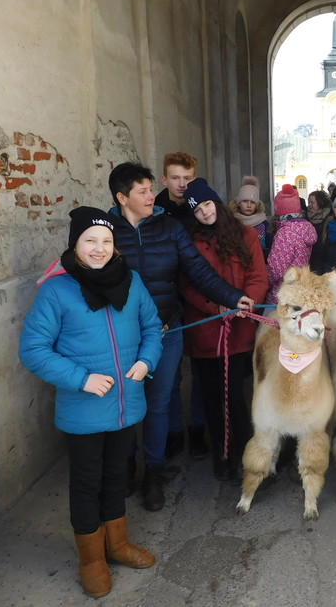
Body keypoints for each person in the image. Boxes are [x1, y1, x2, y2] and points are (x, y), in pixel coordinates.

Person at [19, 207, 162, 598]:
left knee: (117, 476)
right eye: (90, 241)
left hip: (125, 404)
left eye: (106, 242)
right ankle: (91, 560)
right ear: (75, 244)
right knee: (86, 484)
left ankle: (116, 546)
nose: (99, 249)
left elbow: (152, 326)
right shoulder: (57, 290)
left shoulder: (131, 282)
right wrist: (81, 379)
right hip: (83, 411)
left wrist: (146, 360)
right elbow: (33, 349)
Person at [106, 162, 254, 511]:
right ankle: (126, 470)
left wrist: (231, 297)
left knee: (158, 404)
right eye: (142, 191)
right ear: (122, 197)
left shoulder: (170, 228)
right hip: (122, 336)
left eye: (149, 189)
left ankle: (153, 474)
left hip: (166, 331)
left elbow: (198, 272)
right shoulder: (107, 231)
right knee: (125, 406)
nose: (150, 196)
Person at [180, 178, 269, 482]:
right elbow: (187, 285)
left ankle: (247, 453)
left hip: (239, 331)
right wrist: (214, 307)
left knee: (235, 397)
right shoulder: (190, 241)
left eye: (206, 204)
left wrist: (249, 303)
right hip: (206, 333)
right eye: (197, 210)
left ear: (216, 202)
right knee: (211, 398)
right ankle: (222, 450)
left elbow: (258, 275)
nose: (204, 213)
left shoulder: (246, 236)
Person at [154, 152, 201, 463]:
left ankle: (198, 428)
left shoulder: (203, 205)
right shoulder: (153, 210)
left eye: (187, 178)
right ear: (165, 179)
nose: (182, 184)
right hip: (168, 299)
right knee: (168, 376)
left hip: (198, 295)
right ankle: (173, 432)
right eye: (176, 178)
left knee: (200, 367)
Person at [266, 184, 317, 303]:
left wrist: (265, 282)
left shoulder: (285, 233)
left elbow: (276, 269)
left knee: (269, 320)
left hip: (283, 291)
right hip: (301, 287)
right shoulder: (306, 227)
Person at [228, 175, 272, 260]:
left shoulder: (264, 225)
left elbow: (269, 249)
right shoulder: (231, 223)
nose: (249, 205)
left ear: (257, 205)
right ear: (238, 203)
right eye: (245, 201)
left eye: (252, 202)